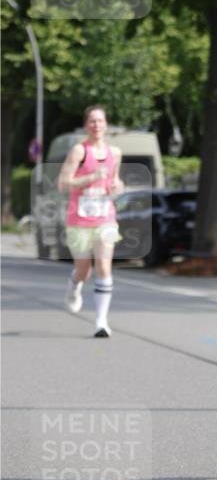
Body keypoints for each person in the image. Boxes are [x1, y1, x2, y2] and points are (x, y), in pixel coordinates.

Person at [58, 105, 123, 338]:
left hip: (105, 216)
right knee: (83, 270)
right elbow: (63, 183)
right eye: (92, 121)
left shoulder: (114, 153)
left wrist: (117, 186)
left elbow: (116, 181)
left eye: (100, 121)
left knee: (103, 266)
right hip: (79, 218)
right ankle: (75, 284)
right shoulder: (79, 151)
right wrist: (91, 177)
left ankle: (101, 322)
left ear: (106, 125)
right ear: (86, 125)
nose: (97, 125)